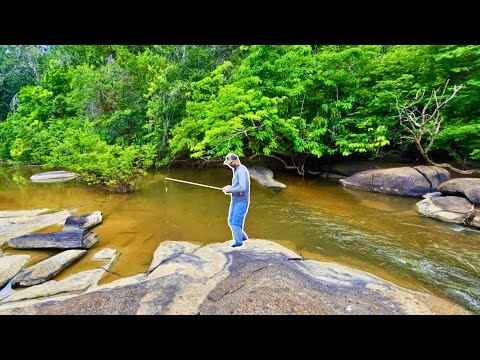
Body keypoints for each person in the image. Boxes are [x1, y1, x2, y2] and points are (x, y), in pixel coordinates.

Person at [222, 153, 250, 248]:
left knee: (235, 223)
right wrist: (230, 188)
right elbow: (238, 186)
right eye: (228, 163)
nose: (229, 164)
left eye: (231, 162)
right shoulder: (236, 170)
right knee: (230, 221)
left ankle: (238, 242)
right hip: (235, 200)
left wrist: (229, 190)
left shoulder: (241, 170)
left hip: (241, 202)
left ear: (236, 160)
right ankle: (243, 237)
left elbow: (242, 187)